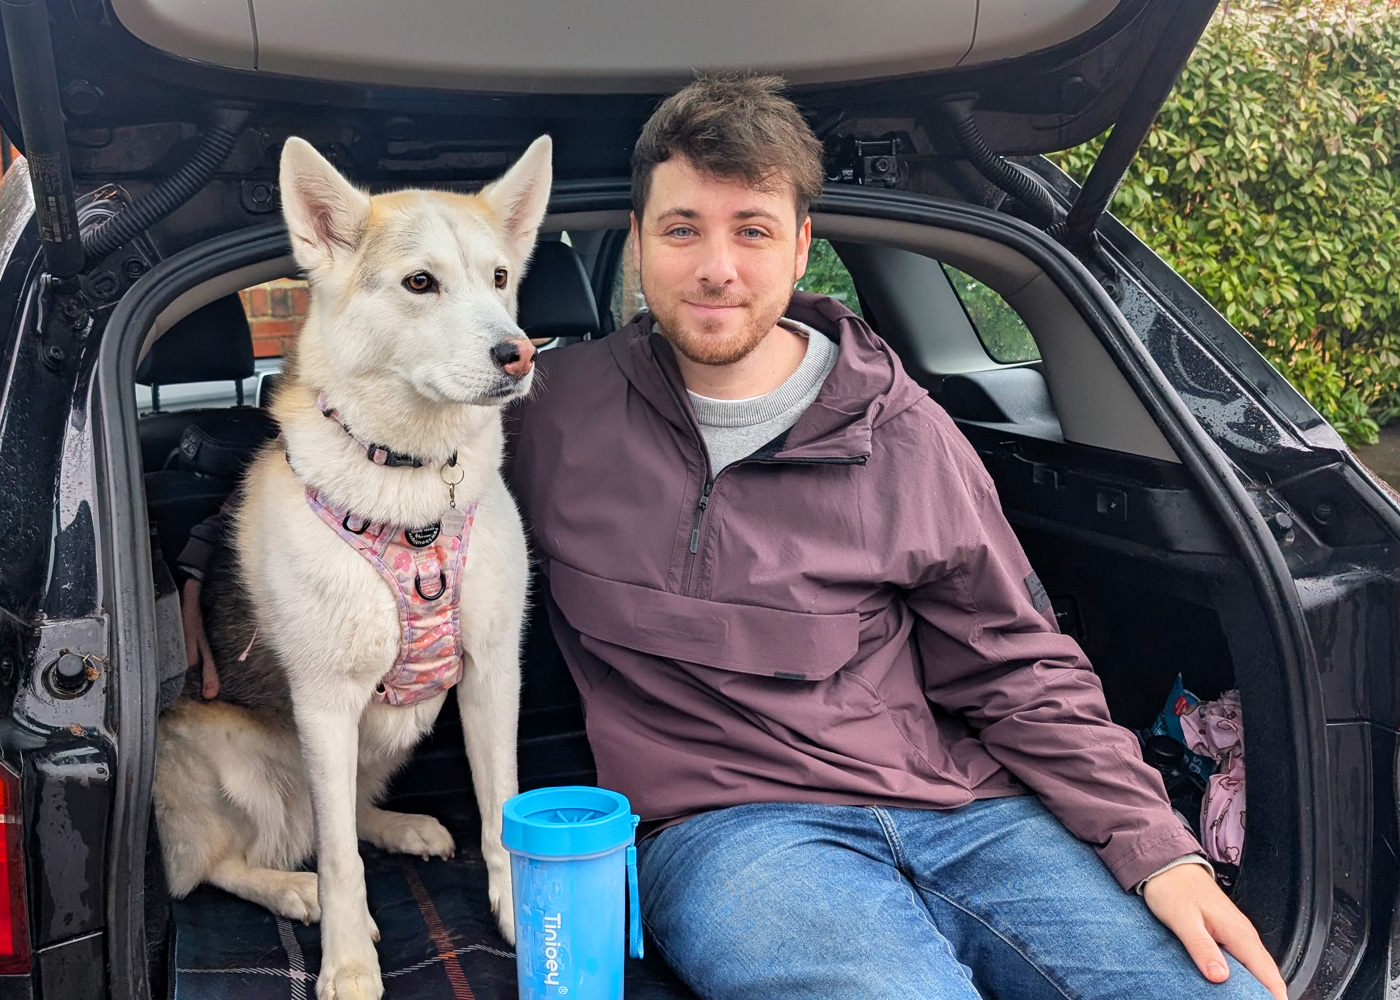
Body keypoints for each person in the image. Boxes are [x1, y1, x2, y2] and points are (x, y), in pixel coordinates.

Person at [505, 74, 1289, 1000]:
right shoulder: (549, 415)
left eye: (752, 229)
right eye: (682, 229)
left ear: (801, 249)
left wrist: (1162, 852)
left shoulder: (904, 428)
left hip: (966, 808)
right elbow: (397, 506)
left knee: (1219, 992)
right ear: (638, 243)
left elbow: (1017, 659)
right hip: (730, 825)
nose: (717, 265)